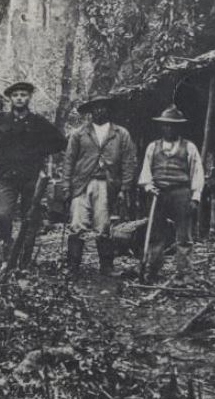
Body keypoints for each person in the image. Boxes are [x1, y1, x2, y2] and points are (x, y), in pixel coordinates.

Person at [0, 81, 67, 251]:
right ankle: (6, 247)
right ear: (10, 98)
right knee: (3, 215)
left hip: (31, 177)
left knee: (29, 218)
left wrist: (39, 151)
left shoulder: (39, 122)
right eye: (15, 95)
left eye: (23, 95)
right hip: (6, 176)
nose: (19, 98)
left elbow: (60, 142)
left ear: (29, 97)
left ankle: (25, 254)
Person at [60, 95, 137, 275]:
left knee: (103, 225)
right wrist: (66, 186)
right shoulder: (79, 134)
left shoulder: (120, 134)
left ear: (109, 109)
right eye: (95, 108)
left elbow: (128, 161)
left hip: (107, 184)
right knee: (77, 223)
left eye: (103, 107)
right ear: (90, 111)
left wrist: (125, 187)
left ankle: (107, 266)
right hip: (81, 183)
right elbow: (69, 161)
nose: (100, 111)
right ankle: (73, 266)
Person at [138, 104, 205, 283]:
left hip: (181, 192)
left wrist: (195, 197)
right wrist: (148, 187)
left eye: (173, 125)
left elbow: (197, 173)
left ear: (179, 127)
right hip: (158, 193)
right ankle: (152, 269)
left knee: (184, 234)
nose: (169, 128)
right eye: (166, 125)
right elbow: (146, 171)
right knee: (156, 233)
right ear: (161, 127)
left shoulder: (189, 147)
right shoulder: (153, 147)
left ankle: (185, 273)